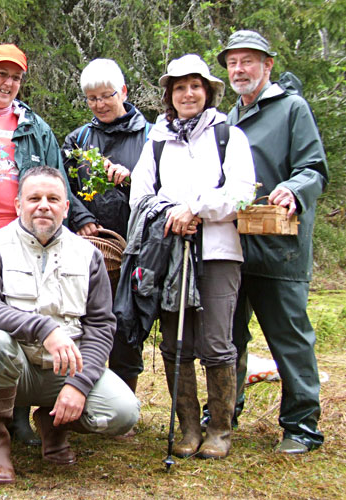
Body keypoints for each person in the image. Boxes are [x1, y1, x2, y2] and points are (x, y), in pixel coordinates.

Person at [0, 44, 95, 445]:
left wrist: (81, 221)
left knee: (18, 322)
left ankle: (17, 416)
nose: (7, 83)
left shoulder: (34, 127)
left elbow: (56, 179)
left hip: (20, 242)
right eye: (1, 74)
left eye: (15, 77)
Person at [0, 166, 140, 484]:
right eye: (34, 198)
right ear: (19, 205)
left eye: (52, 198)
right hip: (15, 369)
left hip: (66, 372)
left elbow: (102, 325)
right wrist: (44, 329)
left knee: (123, 412)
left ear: (66, 207)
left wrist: (79, 385)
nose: (43, 205)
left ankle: (54, 425)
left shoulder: (89, 255)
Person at [129, 54, 256, 459]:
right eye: (179, 87)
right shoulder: (157, 140)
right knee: (175, 342)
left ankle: (219, 429)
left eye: (195, 86)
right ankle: (186, 427)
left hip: (218, 253)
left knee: (218, 342)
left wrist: (196, 209)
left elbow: (241, 192)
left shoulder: (228, 136)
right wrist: (171, 215)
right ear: (169, 95)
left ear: (208, 92)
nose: (188, 93)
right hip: (171, 252)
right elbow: (140, 194)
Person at [216, 30, 328, 454]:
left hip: (280, 249)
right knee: (228, 338)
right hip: (233, 249)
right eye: (232, 63)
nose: (239, 69)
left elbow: (314, 168)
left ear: (267, 66)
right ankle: (225, 413)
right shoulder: (228, 118)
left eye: (248, 61)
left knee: (289, 339)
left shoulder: (291, 109)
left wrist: (293, 190)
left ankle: (302, 428)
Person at [62, 58, 150, 398]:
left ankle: (124, 397)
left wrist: (131, 181)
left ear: (123, 92)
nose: (100, 104)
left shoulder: (150, 136)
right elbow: (62, 184)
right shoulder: (78, 139)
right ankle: (82, 393)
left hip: (134, 246)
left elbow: (158, 188)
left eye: (107, 96)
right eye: (92, 99)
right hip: (88, 247)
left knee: (125, 321)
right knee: (84, 319)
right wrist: (82, 219)